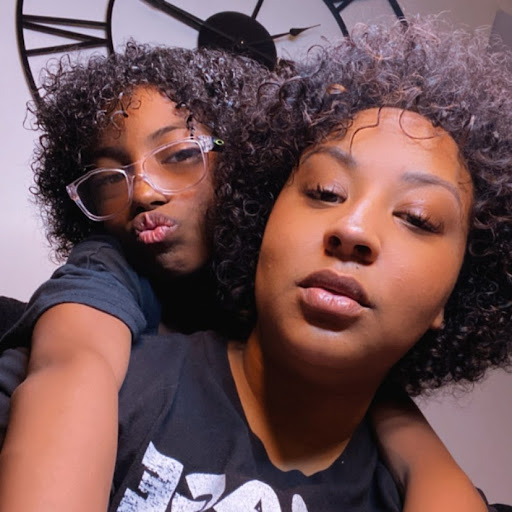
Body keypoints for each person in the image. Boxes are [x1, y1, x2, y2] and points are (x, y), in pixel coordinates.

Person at [106, 18, 510, 511]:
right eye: (325, 191)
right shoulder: (108, 392)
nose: (353, 229)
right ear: (262, 218)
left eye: (417, 218)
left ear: (455, 294)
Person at [0, 43, 276, 511]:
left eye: (179, 155)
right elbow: (71, 364)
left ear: (242, 158)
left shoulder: (282, 283)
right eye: (110, 178)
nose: (143, 192)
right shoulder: (108, 262)